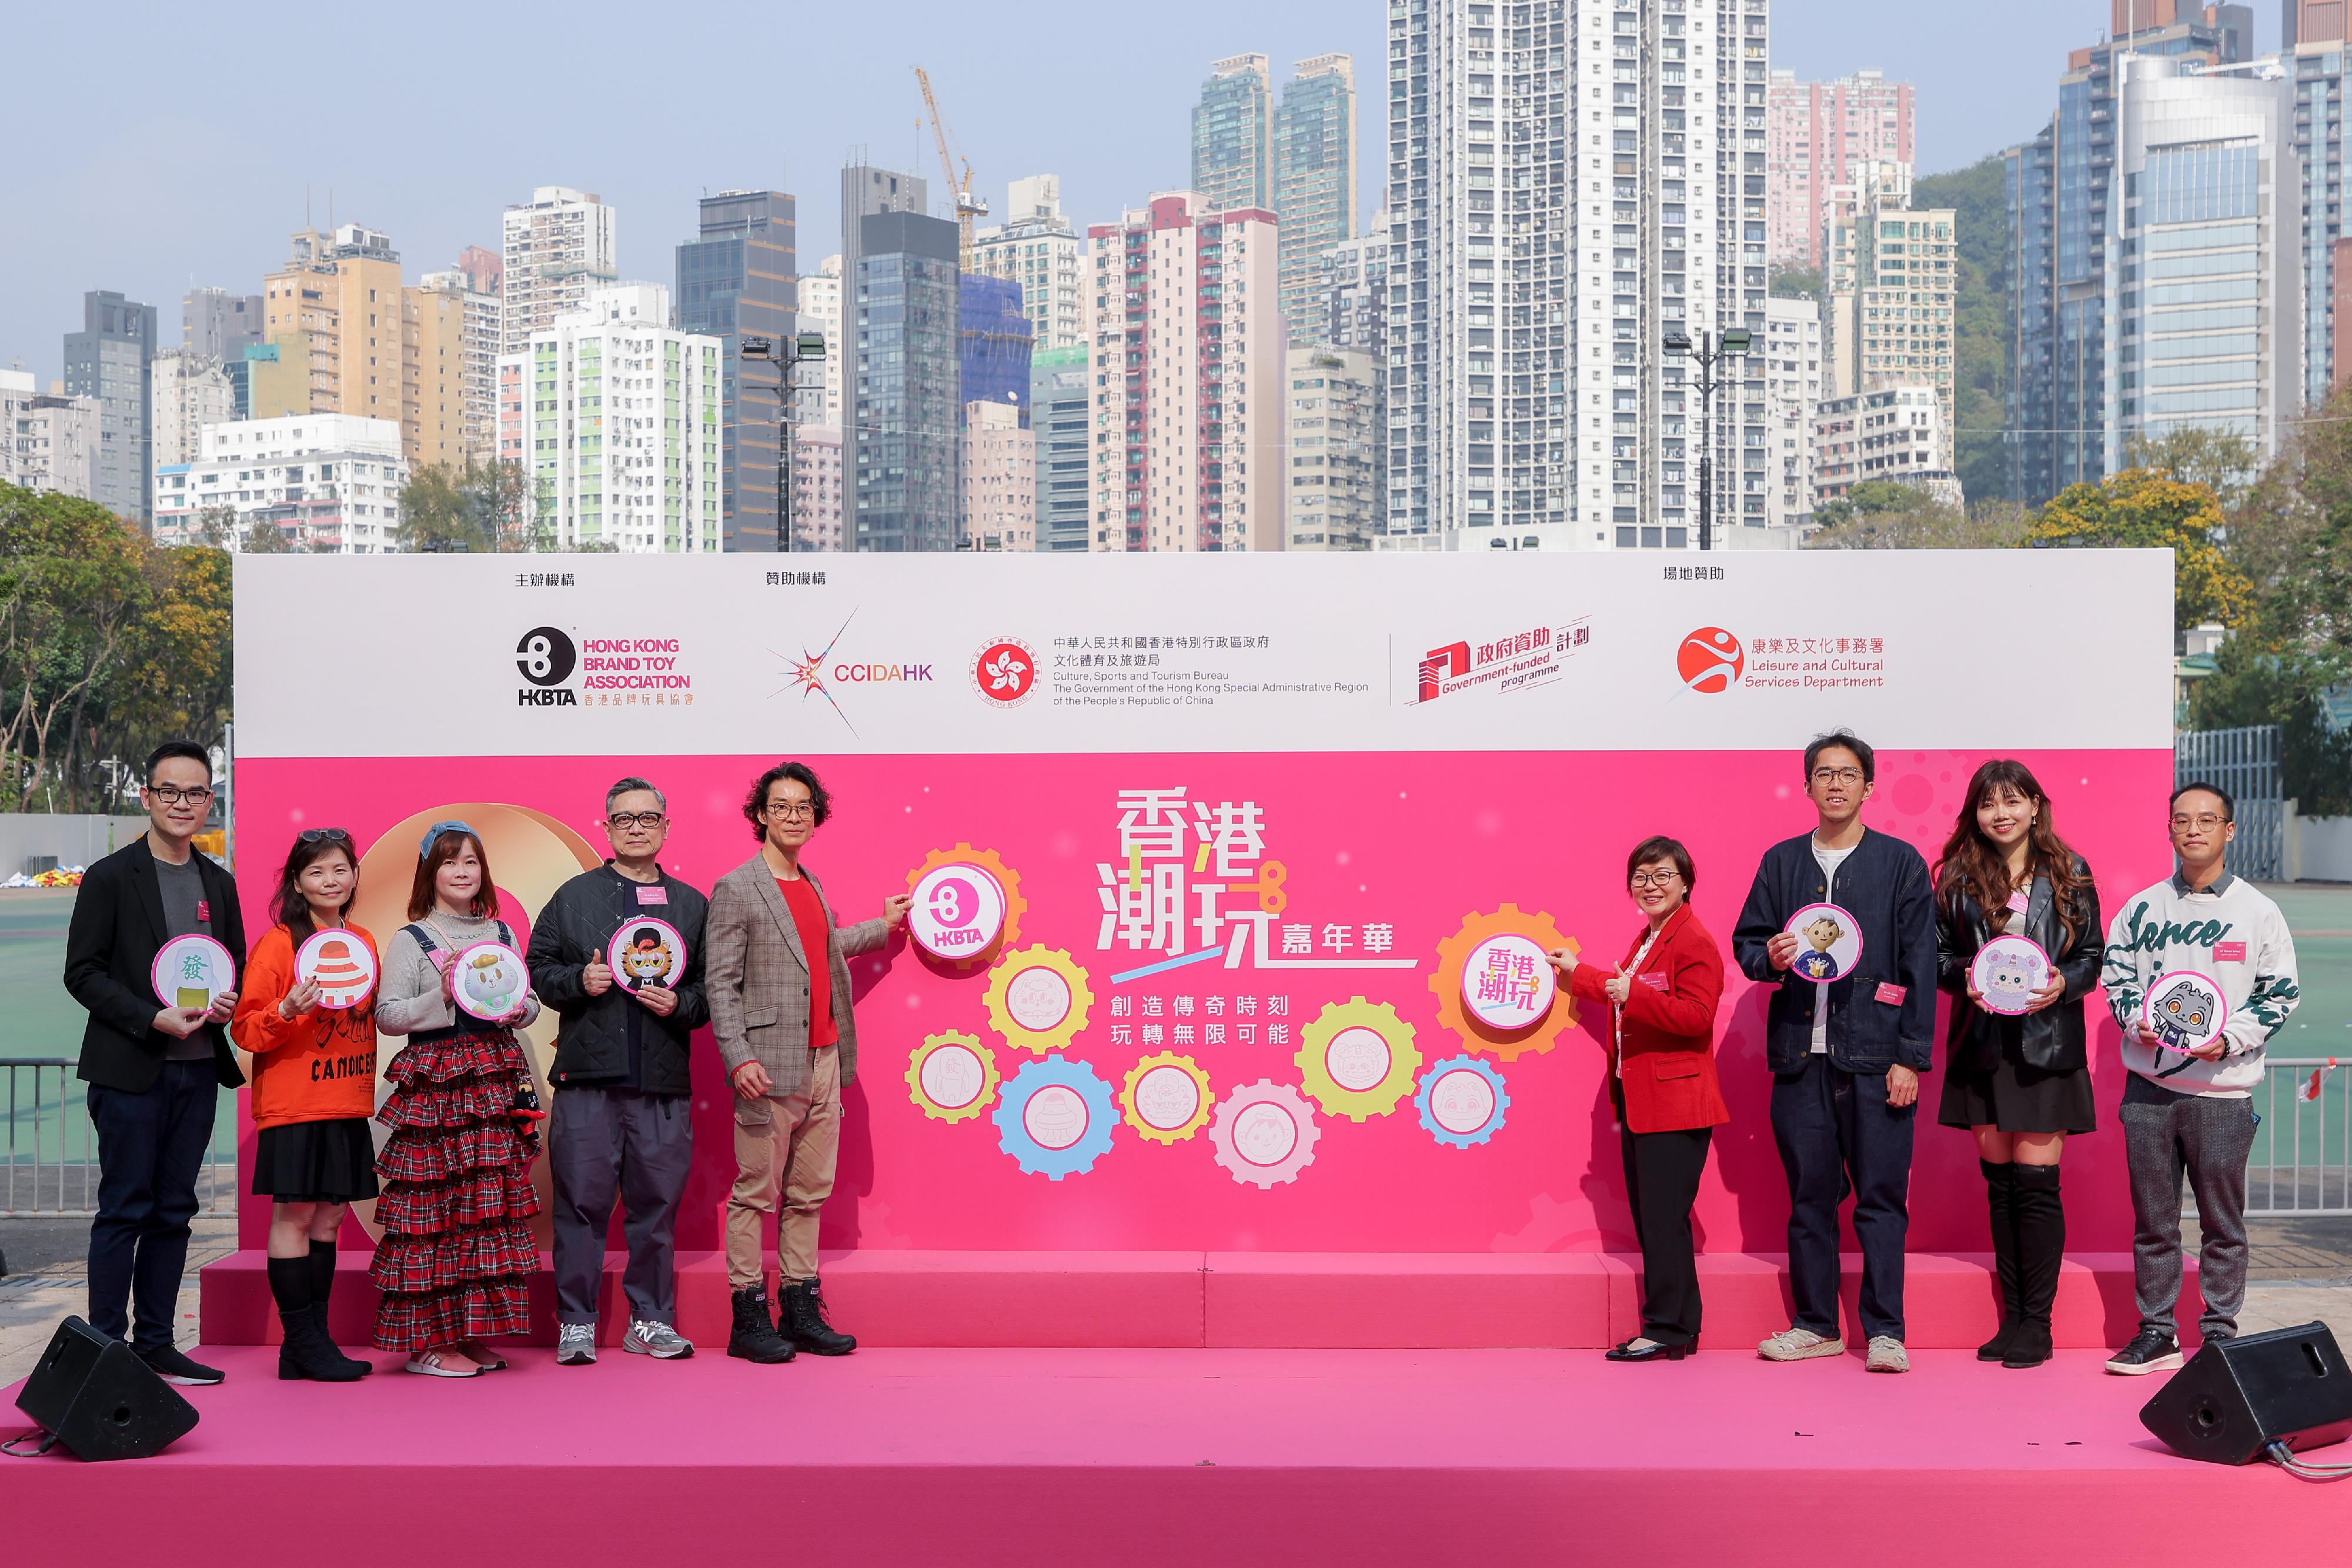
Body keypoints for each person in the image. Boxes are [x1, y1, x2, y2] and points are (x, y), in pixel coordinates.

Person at [1732, 730, 1937, 1374]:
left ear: (1868, 787)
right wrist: (1766, 957)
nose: (1837, 785)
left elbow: (1920, 965)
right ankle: (1815, 1324)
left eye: (1849, 774)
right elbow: (1747, 945)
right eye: (1824, 774)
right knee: (1809, 1199)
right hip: (1800, 1056)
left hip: (1876, 1059)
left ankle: (1885, 1331)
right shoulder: (1781, 862)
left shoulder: (1899, 863)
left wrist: (1910, 1055)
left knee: (1881, 1199)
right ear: (1808, 786)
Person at [707, 762, 910, 1363]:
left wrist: (884, 927)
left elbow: (822, 948)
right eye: (781, 806)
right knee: (754, 1195)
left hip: (826, 1061)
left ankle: (798, 1309)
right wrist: (738, 1057)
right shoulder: (736, 888)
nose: (793, 816)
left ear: (815, 817)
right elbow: (719, 982)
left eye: (804, 808)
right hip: (766, 1066)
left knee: (808, 1194)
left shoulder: (810, 883)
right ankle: (748, 1318)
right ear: (760, 815)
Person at [2101, 782, 2301, 1375]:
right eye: (2182, 821)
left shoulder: (2259, 911)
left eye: (2207, 820)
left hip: (2223, 1093)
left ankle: (2217, 1337)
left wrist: (2229, 1038)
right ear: (2168, 830)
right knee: (2154, 1224)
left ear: (2229, 831)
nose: (2193, 830)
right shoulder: (2141, 908)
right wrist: (2136, 1021)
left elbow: (2279, 994)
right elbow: (2117, 979)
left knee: (2222, 1225)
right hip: (2149, 1094)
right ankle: (2157, 1334)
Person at [62, 740, 245, 1386]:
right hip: (130, 1071)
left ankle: (157, 1344)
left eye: (196, 793)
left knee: (175, 1210)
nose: (182, 803)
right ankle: (107, 1351)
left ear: (209, 802)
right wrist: (150, 1017)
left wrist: (226, 1004)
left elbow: (236, 969)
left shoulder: (218, 883)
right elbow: (81, 973)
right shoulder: (112, 877)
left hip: (196, 1071)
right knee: (124, 1209)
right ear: (146, 797)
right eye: (170, 791)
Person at [526, 778, 709, 1367]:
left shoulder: (690, 905)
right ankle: (575, 1324)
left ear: (665, 828)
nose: (636, 827)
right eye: (624, 819)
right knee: (579, 1205)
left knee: (656, 1208)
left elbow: (713, 992)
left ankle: (650, 1320)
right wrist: (577, 982)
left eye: (648, 818)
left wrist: (680, 1004)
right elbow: (534, 972)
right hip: (587, 1080)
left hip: (661, 1085)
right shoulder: (573, 897)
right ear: (605, 828)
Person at [1932, 760, 2103, 1369]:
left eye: (2011, 801)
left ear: (2035, 805)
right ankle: (2012, 1319)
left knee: (2034, 1190)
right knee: (2000, 1189)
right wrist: (1964, 980)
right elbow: (1937, 955)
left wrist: (2065, 982)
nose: (1999, 814)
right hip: (1982, 1046)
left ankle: (2039, 1323)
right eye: (1987, 804)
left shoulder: (2067, 870)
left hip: (2043, 1047)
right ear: (1974, 814)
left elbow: (2092, 955)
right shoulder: (1956, 875)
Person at [370, 822, 543, 1378]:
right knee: (433, 1214)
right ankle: (426, 1343)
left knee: (481, 1212)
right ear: (430, 872)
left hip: (493, 1082)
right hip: (440, 1090)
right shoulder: (410, 938)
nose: (462, 871)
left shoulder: (502, 932)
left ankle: (464, 1334)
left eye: (471, 860)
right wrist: (440, 995)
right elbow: (387, 1015)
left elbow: (529, 998)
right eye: (449, 862)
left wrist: (522, 1011)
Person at [1549, 836, 1727, 1362]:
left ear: (1686, 882)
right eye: (1641, 877)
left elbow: (1696, 1017)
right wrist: (1576, 972)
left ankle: (1668, 1328)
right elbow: (1624, 988)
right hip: (1645, 1100)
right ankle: (1676, 1327)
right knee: (1656, 1216)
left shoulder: (1693, 940)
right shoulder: (1651, 937)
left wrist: (1634, 994)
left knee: (1663, 1218)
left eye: (1662, 875)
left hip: (1676, 1103)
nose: (1650, 885)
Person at [230, 829, 380, 1382]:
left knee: (332, 1215)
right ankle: (302, 1340)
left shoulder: (363, 939)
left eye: (340, 869)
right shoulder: (279, 943)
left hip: (347, 1100)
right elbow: (245, 1029)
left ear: (354, 875)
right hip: (296, 1103)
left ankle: (310, 1343)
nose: (331, 880)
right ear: (298, 882)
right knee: (294, 1214)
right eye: (317, 872)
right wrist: (287, 1008)